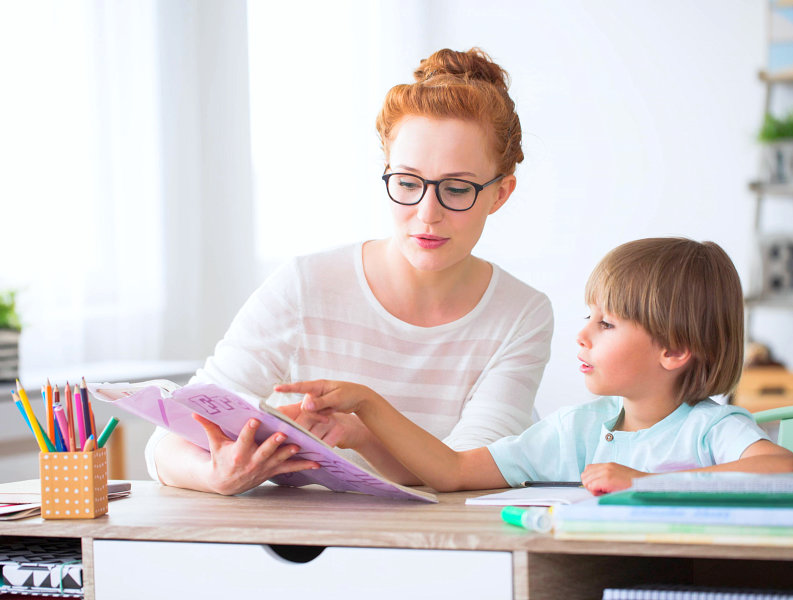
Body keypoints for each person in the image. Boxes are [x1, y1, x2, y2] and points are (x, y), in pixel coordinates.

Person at [145, 47, 553, 495]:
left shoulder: (521, 313)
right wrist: (216, 475)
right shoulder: (306, 286)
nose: (427, 213)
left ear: (501, 194)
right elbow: (169, 439)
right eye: (408, 183)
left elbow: (471, 470)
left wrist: (364, 428)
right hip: (296, 547)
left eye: (457, 189)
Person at [277, 238, 793, 495]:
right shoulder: (578, 430)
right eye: (588, 317)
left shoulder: (710, 428)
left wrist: (641, 483)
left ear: (674, 351)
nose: (583, 334)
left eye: (607, 325)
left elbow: (781, 468)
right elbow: (451, 472)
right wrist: (367, 419)